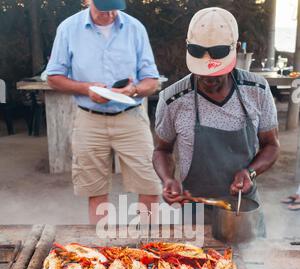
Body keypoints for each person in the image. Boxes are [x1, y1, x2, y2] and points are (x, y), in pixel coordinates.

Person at [153, 7, 280, 223]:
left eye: (215, 72)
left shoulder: (256, 90)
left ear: (236, 49)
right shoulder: (172, 99)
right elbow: (162, 150)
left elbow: (271, 145)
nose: (208, 78)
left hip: (242, 213)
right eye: (201, 72)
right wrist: (167, 179)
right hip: (194, 214)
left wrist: (250, 172)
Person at [46, 0, 161, 224]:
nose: (109, 14)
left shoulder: (135, 28)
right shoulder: (68, 28)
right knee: (95, 188)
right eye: (103, 7)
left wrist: (135, 89)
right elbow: (53, 77)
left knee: (150, 184)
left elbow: (152, 81)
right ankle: (102, 250)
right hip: (89, 120)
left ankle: (148, 245)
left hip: (131, 118)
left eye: (114, 7)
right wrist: (85, 89)